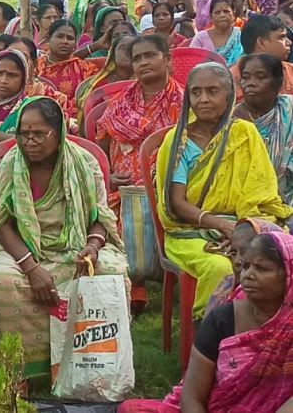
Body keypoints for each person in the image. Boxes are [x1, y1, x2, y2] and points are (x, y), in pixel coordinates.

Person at [0, 97, 128, 379]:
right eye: (23, 134)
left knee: (112, 272)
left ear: (59, 133)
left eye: (39, 134)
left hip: (76, 245)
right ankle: (20, 371)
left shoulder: (83, 163)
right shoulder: (12, 163)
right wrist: (31, 267)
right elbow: (2, 223)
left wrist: (92, 248)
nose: (30, 141)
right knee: (3, 282)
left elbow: (100, 216)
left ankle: (92, 365)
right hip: (21, 246)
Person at [156, 63, 292, 316]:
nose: (203, 99)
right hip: (191, 232)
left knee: (275, 258)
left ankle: (268, 335)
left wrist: (243, 228)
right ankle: (209, 336)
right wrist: (222, 226)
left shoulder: (244, 133)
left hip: (243, 224)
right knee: (221, 268)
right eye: (196, 92)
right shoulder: (179, 142)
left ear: (229, 96)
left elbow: (259, 190)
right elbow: (178, 203)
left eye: (212, 91)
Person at [118, 231, 293, 413]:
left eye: (261, 268)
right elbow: (192, 396)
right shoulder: (222, 319)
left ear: (289, 273)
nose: (248, 275)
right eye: (246, 266)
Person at [97, 34, 183, 198]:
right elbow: (103, 141)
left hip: (166, 191)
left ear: (167, 59)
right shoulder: (121, 101)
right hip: (120, 190)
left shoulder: (183, 102)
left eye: (150, 55)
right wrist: (108, 176)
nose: (143, 62)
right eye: (137, 59)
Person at [235, 54, 293, 206]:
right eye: (246, 77)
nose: (251, 83)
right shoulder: (231, 120)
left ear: (278, 84)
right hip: (245, 199)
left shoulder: (289, 111)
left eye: (260, 77)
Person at [231, 15, 293, 94]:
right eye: (282, 37)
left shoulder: (291, 71)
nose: (289, 42)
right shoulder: (231, 79)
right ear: (261, 42)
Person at [39, 20, 98, 102]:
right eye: (60, 36)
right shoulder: (35, 66)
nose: (65, 41)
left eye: (70, 38)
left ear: (75, 43)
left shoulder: (86, 69)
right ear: (49, 38)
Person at [74, 35, 136, 109]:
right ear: (113, 54)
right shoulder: (99, 83)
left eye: (132, 48)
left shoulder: (144, 85)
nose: (127, 52)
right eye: (123, 48)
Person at [191, 0, 245, 66]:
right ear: (211, 17)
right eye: (217, 12)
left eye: (226, 11)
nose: (222, 15)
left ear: (234, 14)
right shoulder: (200, 38)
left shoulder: (241, 36)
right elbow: (192, 63)